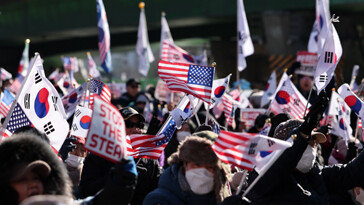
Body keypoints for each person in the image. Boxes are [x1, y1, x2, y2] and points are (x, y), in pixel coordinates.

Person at [79, 107, 161, 205]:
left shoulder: (148, 158)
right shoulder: (98, 155)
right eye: (129, 124)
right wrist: (118, 173)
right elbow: (86, 191)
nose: (134, 129)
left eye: (139, 125)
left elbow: (157, 191)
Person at [144, 136, 230, 205]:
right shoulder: (158, 200)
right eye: (197, 165)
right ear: (184, 164)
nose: (203, 171)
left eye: (210, 167)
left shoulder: (220, 199)